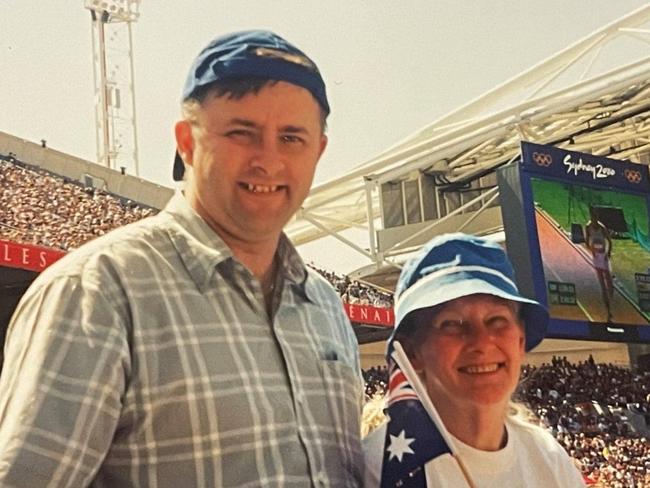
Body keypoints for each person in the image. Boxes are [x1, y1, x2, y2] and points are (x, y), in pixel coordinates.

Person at [0, 30, 363, 487]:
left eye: (292, 138)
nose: (268, 160)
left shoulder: (325, 305)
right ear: (186, 142)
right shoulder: (97, 291)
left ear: (319, 152)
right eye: (241, 133)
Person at [363, 233, 584, 487]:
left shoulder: (549, 460)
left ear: (520, 340)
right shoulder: (378, 469)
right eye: (453, 324)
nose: (481, 341)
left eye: (497, 320)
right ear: (412, 352)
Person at [585, 206, 614, 321]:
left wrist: (608, 253)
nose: (594, 219)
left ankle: (610, 302)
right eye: (592, 217)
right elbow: (587, 242)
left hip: (604, 256)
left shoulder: (602, 228)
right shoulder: (588, 227)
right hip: (597, 257)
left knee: (609, 284)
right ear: (591, 217)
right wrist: (592, 250)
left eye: (595, 217)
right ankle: (608, 310)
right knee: (602, 284)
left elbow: (610, 241)